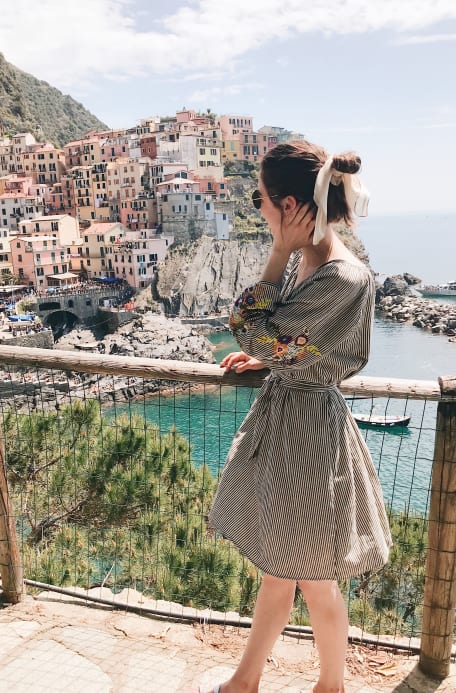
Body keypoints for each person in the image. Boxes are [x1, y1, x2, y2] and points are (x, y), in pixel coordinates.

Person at [195, 140, 392, 693]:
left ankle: (330, 687)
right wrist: (269, 356)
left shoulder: (340, 276)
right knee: (282, 570)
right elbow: (287, 343)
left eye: (260, 198)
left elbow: (253, 325)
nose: (257, 207)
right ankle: (247, 680)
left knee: (316, 579)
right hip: (288, 423)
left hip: (309, 437)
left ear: (288, 205)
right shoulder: (314, 261)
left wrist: (276, 259)